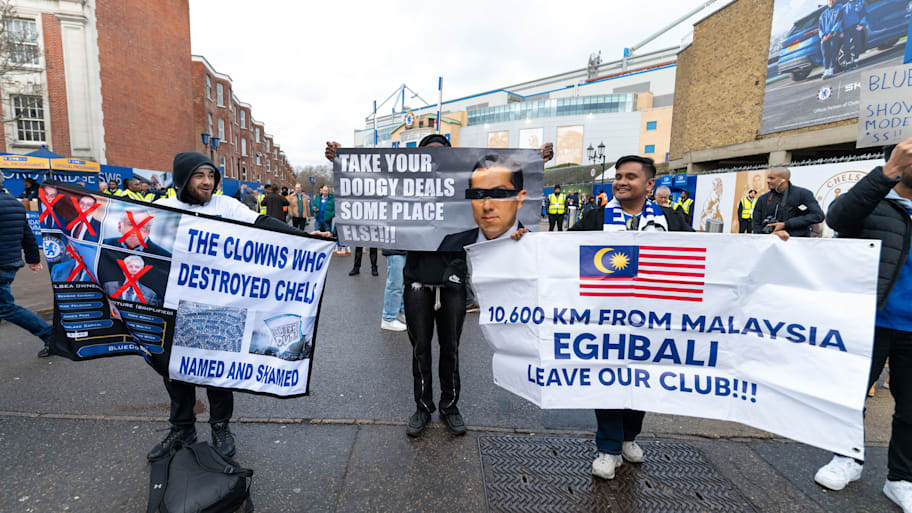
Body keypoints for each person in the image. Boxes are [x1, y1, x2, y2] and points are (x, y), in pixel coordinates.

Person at [147, 151, 329, 462]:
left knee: (218, 369)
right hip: (177, 305)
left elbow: (263, 222)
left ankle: (220, 426)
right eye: (199, 176)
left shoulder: (226, 205)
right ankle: (181, 427)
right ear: (182, 179)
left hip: (219, 305)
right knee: (175, 370)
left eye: (211, 176)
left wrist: (304, 238)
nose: (207, 182)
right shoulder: (162, 210)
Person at [516, 155, 689, 480]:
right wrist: (525, 239)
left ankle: (628, 438)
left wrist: (770, 245)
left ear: (649, 185)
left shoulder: (672, 219)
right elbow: (560, 248)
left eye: (630, 177)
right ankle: (608, 448)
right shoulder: (596, 217)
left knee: (642, 381)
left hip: (652, 322)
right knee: (609, 380)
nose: (621, 182)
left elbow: (715, 251)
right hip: (604, 321)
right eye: (618, 176)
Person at [816, 138, 912, 511]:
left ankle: (901, 479)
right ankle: (847, 459)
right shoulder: (874, 202)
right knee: (850, 398)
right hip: (869, 321)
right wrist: (887, 172)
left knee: (909, 409)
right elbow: (838, 217)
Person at [1, 179, 53, 357]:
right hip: (10, 262)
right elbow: (27, 233)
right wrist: (33, 259)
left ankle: (49, 334)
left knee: (5, 307)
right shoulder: (14, 203)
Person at [438, 154, 528, 251]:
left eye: (498, 193)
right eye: (478, 194)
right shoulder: (450, 244)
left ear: (520, 198)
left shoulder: (538, 248)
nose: (487, 206)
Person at [751, 167, 824, 240]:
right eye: (767, 178)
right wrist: (764, 237)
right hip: (769, 242)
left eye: (772, 178)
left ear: (783, 179)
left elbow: (818, 216)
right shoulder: (763, 199)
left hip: (797, 243)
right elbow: (756, 224)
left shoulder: (803, 194)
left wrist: (786, 224)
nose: (768, 181)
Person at [102, 209, 171, 257]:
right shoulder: (103, 245)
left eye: (141, 226)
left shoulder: (163, 257)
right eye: (130, 224)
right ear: (120, 226)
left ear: (148, 231)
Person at [380, 248, 407, 331]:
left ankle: (399, 312)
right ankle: (388, 318)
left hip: (404, 248)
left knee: (402, 284)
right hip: (394, 249)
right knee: (395, 284)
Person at [819, 0, 844, 79]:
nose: (831, 1)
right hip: (825, 37)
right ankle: (826, 70)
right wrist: (823, 36)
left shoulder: (839, 9)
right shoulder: (823, 14)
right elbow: (820, 28)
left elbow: (839, 22)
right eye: (829, 0)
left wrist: (832, 33)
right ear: (827, 2)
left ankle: (831, 70)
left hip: (833, 35)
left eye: (833, 0)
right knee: (825, 53)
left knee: (833, 52)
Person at [842, 0, 867, 69]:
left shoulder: (859, 3)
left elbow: (863, 13)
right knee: (846, 46)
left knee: (857, 43)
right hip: (846, 29)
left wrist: (862, 24)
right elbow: (840, 20)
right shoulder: (844, 7)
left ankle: (856, 61)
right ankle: (848, 63)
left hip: (855, 27)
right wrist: (841, 31)